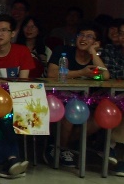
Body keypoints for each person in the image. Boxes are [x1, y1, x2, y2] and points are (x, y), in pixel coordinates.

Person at [46, 25, 111, 166]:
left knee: (99, 119)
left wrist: (93, 52)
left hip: (86, 100)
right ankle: (61, 149)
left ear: (96, 42)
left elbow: (104, 76)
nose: (83, 39)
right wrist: (81, 73)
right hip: (59, 98)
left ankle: (59, 146)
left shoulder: (96, 57)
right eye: (81, 35)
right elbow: (52, 73)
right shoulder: (62, 51)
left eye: (89, 36)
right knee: (71, 113)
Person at [0, 14, 35, 177]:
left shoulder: (22, 51)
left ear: (13, 33)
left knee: (6, 117)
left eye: (4, 30)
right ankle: (12, 160)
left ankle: (10, 161)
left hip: (13, 100)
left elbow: (22, 83)